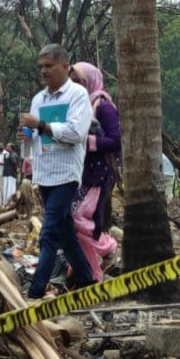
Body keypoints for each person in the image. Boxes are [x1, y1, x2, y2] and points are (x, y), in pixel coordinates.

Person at [19, 44, 97, 299]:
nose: (44, 71)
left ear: (65, 66)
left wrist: (40, 124)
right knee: (63, 231)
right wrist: (28, 134)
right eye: (41, 66)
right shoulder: (38, 99)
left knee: (49, 232)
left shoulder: (77, 95)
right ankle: (87, 279)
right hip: (45, 174)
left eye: (49, 66)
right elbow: (37, 136)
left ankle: (35, 290)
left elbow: (76, 133)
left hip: (66, 174)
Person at [70, 62, 123, 273]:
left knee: (78, 217)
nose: (74, 86)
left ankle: (107, 247)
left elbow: (115, 140)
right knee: (71, 220)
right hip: (80, 172)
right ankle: (89, 271)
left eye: (78, 82)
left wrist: (86, 141)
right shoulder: (78, 106)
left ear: (88, 82)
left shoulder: (103, 106)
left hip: (97, 173)